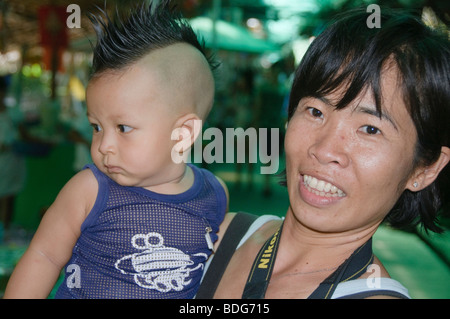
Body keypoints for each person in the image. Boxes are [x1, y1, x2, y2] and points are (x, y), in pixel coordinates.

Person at [198, 8, 449, 299]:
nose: (324, 149)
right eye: (315, 111)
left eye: (369, 129)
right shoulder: (214, 237)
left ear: (425, 169)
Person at [4, 1, 227, 299]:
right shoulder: (90, 189)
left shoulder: (214, 196)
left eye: (123, 128)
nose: (103, 145)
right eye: (97, 127)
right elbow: (44, 256)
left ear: (183, 133)